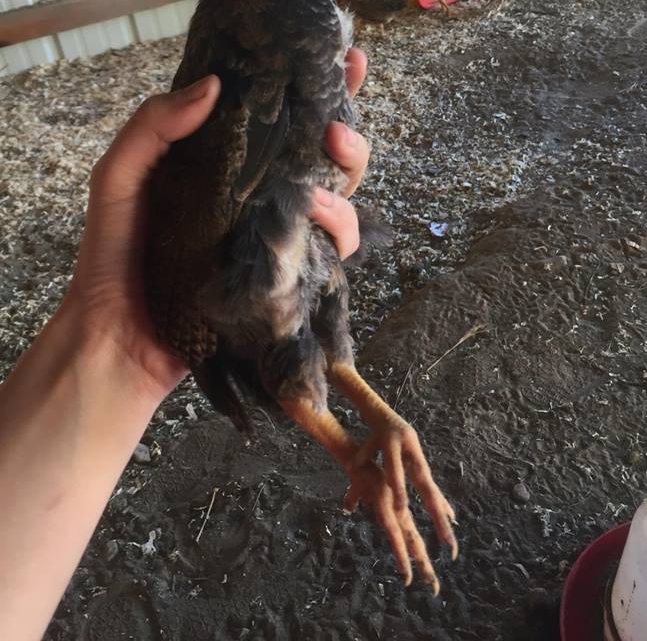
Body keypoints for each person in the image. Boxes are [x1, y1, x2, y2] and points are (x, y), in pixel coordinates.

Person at [0, 49, 370, 641]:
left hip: (225, 296)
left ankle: (351, 429)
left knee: (307, 245)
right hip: (219, 295)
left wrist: (120, 342)